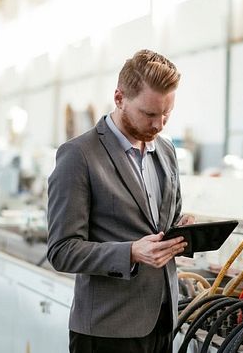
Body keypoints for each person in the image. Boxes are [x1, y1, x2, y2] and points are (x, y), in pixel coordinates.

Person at [47, 49, 193, 353]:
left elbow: (165, 222)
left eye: (167, 114)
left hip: (163, 322)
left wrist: (183, 230)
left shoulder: (166, 152)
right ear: (119, 98)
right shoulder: (80, 155)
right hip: (108, 331)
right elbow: (62, 251)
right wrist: (130, 253)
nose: (159, 124)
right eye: (149, 114)